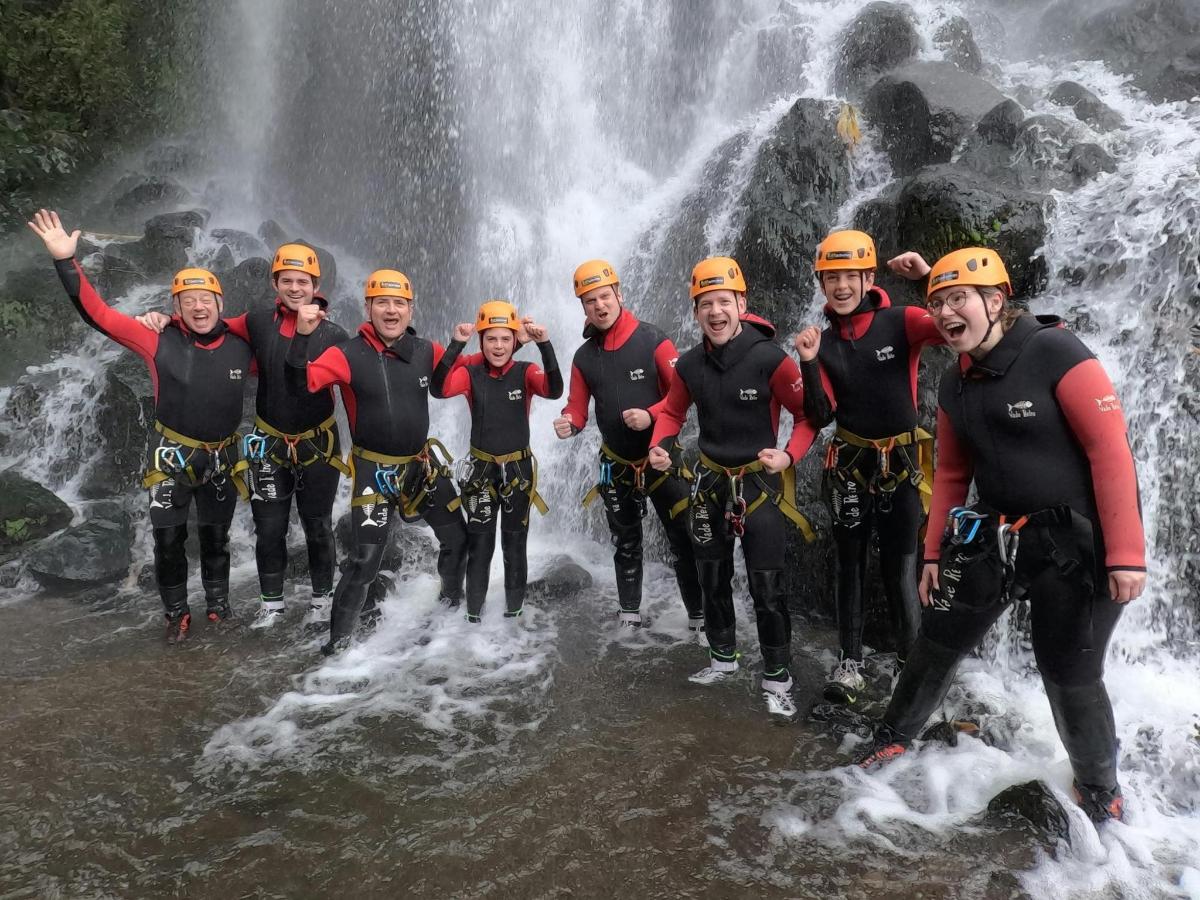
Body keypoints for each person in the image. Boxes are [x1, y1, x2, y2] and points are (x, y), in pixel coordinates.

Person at [854, 247, 1146, 825]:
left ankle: (1099, 788)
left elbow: (1109, 451)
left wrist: (1127, 557)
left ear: (995, 300)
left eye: (957, 298)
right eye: (936, 303)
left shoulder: (1054, 351)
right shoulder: (953, 381)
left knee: (1069, 668)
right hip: (991, 532)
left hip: (1076, 544)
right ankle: (893, 735)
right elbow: (952, 473)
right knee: (938, 639)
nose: (943, 313)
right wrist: (934, 551)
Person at [28, 209, 253, 643]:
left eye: (206, 299)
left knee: (216, 537)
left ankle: (219, 607)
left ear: (222, 304)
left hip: (223, 457)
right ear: (175, 308)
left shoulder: (243, 346)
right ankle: (175, 613)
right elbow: (98, 314)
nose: (198, 306)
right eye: (188, 302)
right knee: (168, 541)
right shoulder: (156, 339)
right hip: (171, 456)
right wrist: (64, 260)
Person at [139, 244, 349, 631]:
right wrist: (168, 319)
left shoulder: (335, 334)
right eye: (287, 280)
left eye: (303, 281)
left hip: (318, 442)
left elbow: (353, 387)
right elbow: (210, 328)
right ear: (275, 284)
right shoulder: (256, 321)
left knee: (317, 524)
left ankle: (322, 598)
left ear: (316, 285)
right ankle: (272, 604)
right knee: (269, 527)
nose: (295, 287)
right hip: (268, 442)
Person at [648, 256, 818, 718]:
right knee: (711, 576)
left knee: (768, 584)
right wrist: (660, 444)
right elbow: (670, 412)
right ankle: (722, 659)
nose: (716, 312)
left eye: (724, 301)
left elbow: (807, 416)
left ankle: (777, 676)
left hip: (759, 484)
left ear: (742, 303)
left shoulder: (770, 359)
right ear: (696, 311)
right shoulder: (689, 365)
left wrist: (788, 456)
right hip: (708, 483)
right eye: (706, 304)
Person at [792, 230, 944, 704]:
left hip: (900, 466)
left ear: (868, 277)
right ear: (821, 283)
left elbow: (956, 327)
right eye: (831, 277)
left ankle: (909, 666)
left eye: (849, 276)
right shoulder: (826, 341)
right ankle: (850, 663)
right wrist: (810, 362)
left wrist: (929, 280)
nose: (840, 287)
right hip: (851, 466)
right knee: (850, 565)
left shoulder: (902, 322)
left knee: (901, 567)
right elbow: (821, 416)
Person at [285, 269, 468, 655]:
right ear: (368, 307)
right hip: (374, 470)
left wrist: (509, 345)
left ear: (410, 309)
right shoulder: (346, 353)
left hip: (422, 466)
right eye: (381, 302)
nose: (391, 310)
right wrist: (302, 336)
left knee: (457, 537)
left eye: (399, 303)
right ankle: (337, 646)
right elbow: (303, 383)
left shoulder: (427, 351)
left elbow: (468, 378)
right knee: (365, 559)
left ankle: (451, 604)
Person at [553, 259, 704, 630]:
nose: (599, 306)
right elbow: (578, 407)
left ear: (619, 293)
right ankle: (629, 616)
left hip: (661, 457)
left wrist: (652, 415)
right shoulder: (584, 357)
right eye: (590, 301)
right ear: (583, 307)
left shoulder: (653, 339)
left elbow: (683, 396)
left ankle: (699, 618)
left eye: (605, 296)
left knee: (682, 540)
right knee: (625, 542)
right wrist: (569, 423)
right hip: (617, 463)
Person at [432, 301, 562, 621]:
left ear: (514, 341)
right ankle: (473, 618)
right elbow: (439, 388)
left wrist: (544, 344)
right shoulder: (471, 373)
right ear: (482, 341)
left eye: (505, 339)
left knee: (514, 544)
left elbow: (555, 390)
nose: (499, 346)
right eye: (491, 339)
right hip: (480, 471)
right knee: (481, 545)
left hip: (518, 469)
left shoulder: (525, 372)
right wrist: (456, 343)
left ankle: (513, 616)